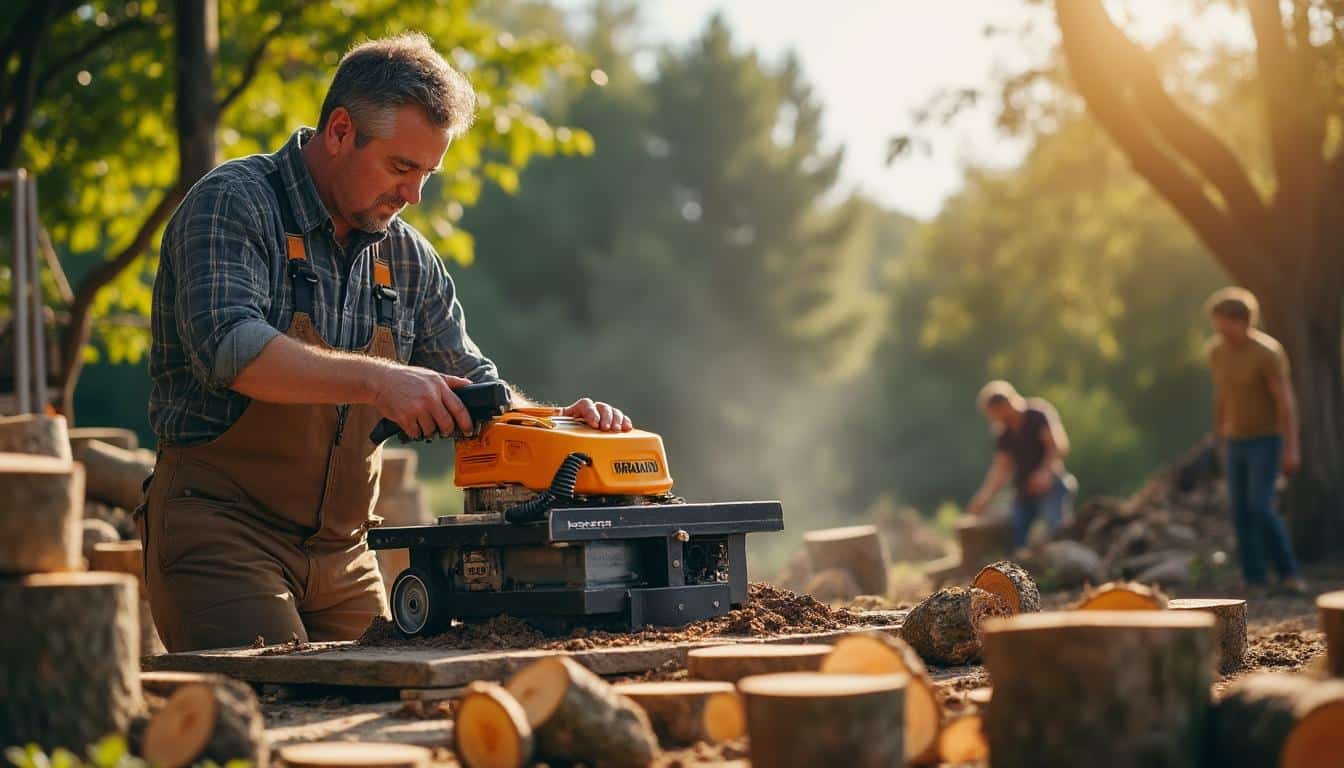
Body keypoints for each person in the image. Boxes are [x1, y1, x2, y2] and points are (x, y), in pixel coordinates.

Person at [142, 33, 632, 652]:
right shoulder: (231, 203)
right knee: (274, 707)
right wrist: (380, 379)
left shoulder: (409, 257)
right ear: (340, 131)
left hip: (348, 555)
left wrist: (564, 426)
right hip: (221, 533)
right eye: (402, 168)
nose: (414, 195)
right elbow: (230, 349)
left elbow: (476, 391)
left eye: (427, 173)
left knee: (392, 694)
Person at [1204, 287, 1306, 595]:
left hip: (1266, 440)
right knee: (1240, 510)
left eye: (1226, 323)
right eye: (1217, 323)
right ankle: (1254, 579)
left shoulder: (1267, 353)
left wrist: (1291, 447)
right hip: (1236, 440)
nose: (1221, 329)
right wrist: (1218, 436)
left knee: (1260, 507)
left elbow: (1284, 402)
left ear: (1244, 321)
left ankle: (1288, 572)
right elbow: (1221, 394)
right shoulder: (1217, 352)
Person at [966, 381, 1076, 550]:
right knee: (1017, 537)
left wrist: (1044, 472)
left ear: (1005, 405)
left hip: (1051, 485)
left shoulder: (1037, 415)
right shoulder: (1003, 432)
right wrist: (983, 499)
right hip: (1025, 491)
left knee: (1057, 530)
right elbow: (1001, 469)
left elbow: (1058, 446)